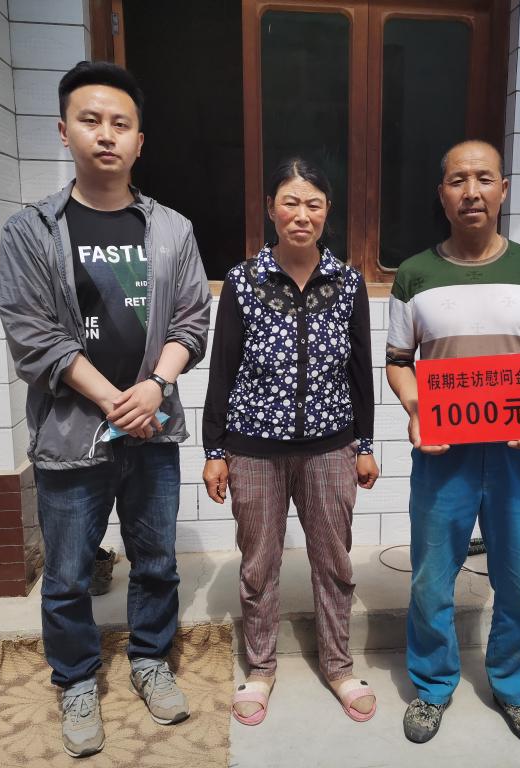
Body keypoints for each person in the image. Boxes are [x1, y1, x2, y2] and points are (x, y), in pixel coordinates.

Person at [0, 61, 211, 758]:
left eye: (121, 123)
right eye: (90, 121)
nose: (106, 134)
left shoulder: (172, 230)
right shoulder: (31, 231)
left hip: (153, 431)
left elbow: (191, 320)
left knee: (157, 562)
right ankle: (77, 680)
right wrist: (115, 398)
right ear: (64, 132)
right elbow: (33, 334)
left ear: (140, 141)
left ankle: (150, 660)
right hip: (71, 435)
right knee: (66, 575)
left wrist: (155, 387)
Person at [385, 140, 520, 747]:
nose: (471, 192)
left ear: (503, 189)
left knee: (517, 578)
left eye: (484, 179)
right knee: (431, 578)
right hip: (443, 457)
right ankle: (433, 685)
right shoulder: (414, 275)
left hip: (515, 453)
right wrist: (417, 409)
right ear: (441, 194)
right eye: (458, 180)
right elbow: (398, 362)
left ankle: (514, 688)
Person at [202, 158, 380, 726]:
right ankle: (260, 668)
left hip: (331, 447)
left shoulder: (348, 283)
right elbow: (222, 370)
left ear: (327, 213)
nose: (301, 215)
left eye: (313, 204)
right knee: (259, 564)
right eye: (290, 202)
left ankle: (339, 666)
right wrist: (214, 451)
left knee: (334, 561)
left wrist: (366, 443)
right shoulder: (242, 281)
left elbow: (360, 371)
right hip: (253, 447)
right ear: (270, 210)